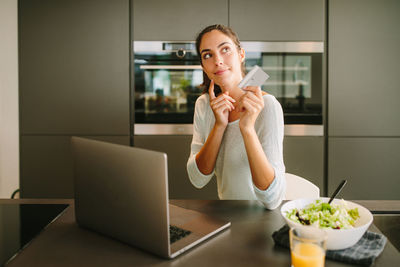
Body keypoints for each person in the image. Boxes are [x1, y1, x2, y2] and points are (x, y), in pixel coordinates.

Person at [186, 24, 286, 210]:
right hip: (227, 215)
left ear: (241, 54)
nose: (218, 60)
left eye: (225, 49)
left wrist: (247, 128)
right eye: (208, 55)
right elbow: (197, 179)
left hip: (263, 218)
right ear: (203, 66)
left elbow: (272, 199)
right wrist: (219, 125)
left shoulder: (268, 106)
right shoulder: (203, 105)